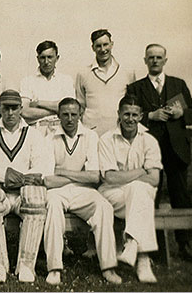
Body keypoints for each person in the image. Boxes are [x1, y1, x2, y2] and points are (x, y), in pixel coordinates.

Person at [126, 44, 192, 263]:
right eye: (151, 57)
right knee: (150, 197)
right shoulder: (136, 88)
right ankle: (154, 247)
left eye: (159, 57)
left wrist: (182, 112)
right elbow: (129, 116)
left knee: (181, 196)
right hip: (149, 150)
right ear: (145, 60)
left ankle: (185, 245)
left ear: (165, 60)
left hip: (177, 151)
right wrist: (151, 115)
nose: (155, 61)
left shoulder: (178, 84)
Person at [42, 97, 121, 285]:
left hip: (83, 191)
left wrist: (62, 171)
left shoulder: (91, 136)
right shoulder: (49, 137)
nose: (70, 119)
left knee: (104, 207)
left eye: (73, 115)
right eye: (65, 115)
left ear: (80, 115)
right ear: (58, 116)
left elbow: (94, 177)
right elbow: (48, 180)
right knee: (52, 206)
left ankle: (108, 267)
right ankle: (54, 268)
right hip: (57, 191)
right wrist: (78, 174)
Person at [0, 89, 52, 283]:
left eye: (14, 108)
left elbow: (43, 167)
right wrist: (15, 177)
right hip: (0, 192)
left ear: (21, 109)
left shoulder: (33, 134)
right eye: (6, 108)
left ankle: (26, 265)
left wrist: (20, 181)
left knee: (36, 197)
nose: (10, 113)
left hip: (22, 196)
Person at [98, 95, 163, 283]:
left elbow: (155, 179)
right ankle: (143, 260)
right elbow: (109, 177)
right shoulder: (107, 139)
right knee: (140, 192)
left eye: (135, 114)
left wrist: (127, 177)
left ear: (141, 116)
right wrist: (141, 170)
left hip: (139, 194)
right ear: (118, 114)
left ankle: (133, 244)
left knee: (139, 190)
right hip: (113, 195)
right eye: (126, 114)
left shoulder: (149, 140)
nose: (130, 119)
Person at [75, 29, 136, 136]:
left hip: (118, 131)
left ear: (111, 45)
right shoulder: (83, 74)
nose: (103, 49)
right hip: (91, 132)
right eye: (98, 46)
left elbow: (132, 104)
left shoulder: (127, 72)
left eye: (105, 44)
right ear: (93, 47)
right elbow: (80, 106)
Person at [20, 40, 75, 137]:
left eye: (50, 57)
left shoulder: (66, 80)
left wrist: (38, 103)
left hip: (60, 130)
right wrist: (57, 110)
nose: (46, 62)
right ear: (37, 59)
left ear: (57, 58)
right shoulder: (27, 81)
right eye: (42, 58)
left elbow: (69, 108)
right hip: (36, 130)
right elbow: (25, 112)